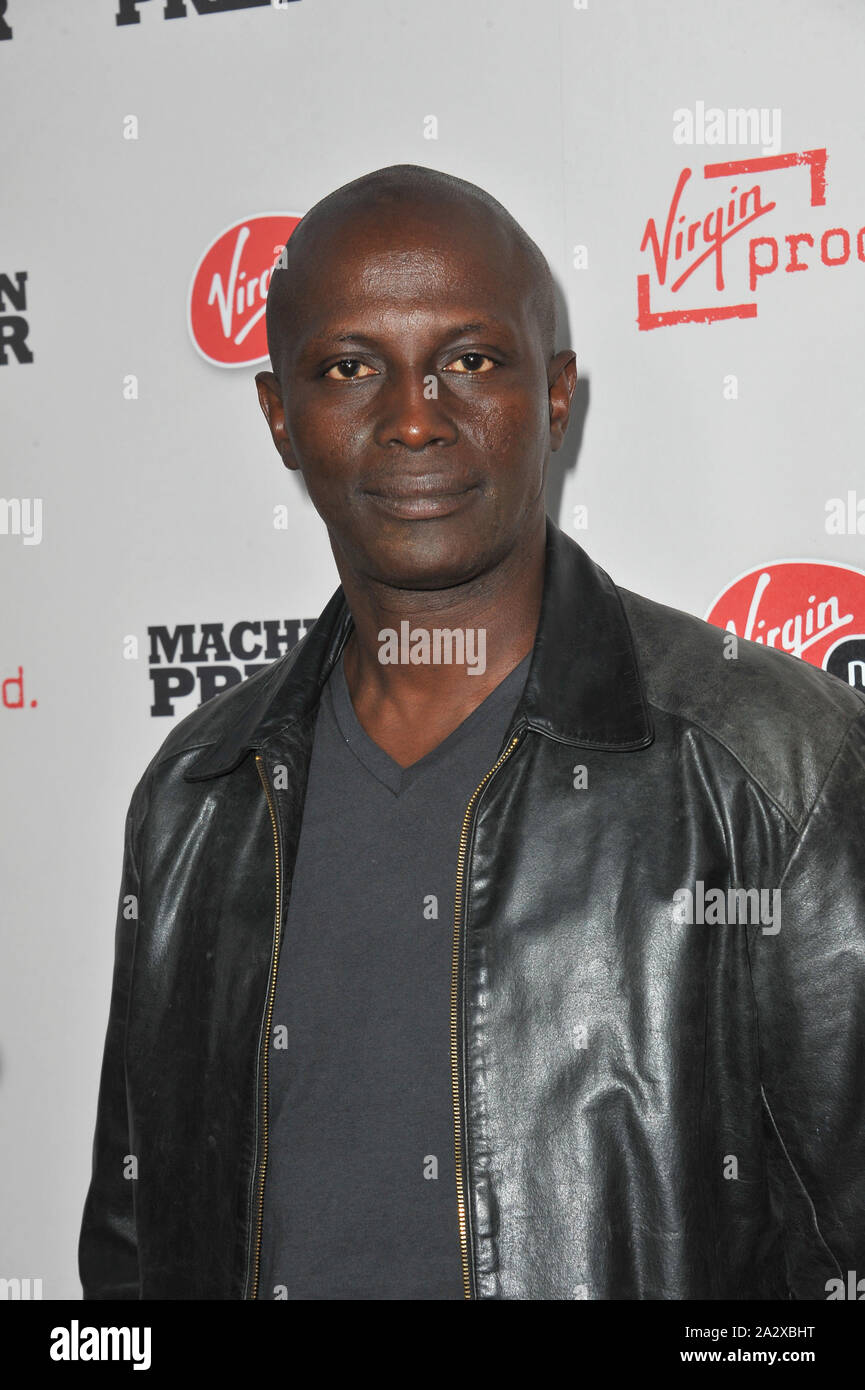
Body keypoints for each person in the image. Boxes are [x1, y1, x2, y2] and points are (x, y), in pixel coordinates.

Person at [79, 163, 865, 1301]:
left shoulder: (773, 762)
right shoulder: (200, 792)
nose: (412, 415)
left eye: (469, 361)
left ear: (554, 396)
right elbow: (136, 1241)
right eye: (350, 367)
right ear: (278, 418)